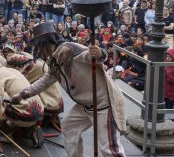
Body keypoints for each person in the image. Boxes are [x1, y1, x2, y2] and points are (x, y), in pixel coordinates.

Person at [12, 22, 126, 157]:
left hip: (103, 104)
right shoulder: (54, 61)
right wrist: (22, 95)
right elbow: (44, 81)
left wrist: (99, 53)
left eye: (38, 46)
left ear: (45, 43)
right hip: (85, 106)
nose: (38, 51)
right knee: (69, 127)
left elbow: (91, 56)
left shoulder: (69, 48)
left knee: (110, 150)